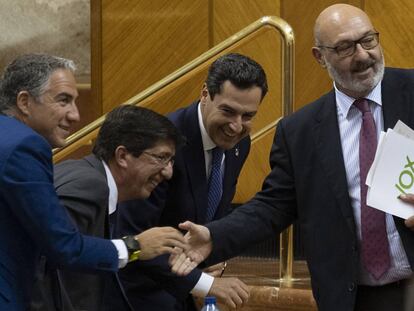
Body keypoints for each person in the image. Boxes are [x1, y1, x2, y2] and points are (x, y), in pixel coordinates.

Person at [170, 4, 414, 311]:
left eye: (368, 40)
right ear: (320, 57)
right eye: (345, 47)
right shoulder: (299, 132)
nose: (363, 55)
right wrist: (215, 236)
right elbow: (272, 207)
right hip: (355, 297)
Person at [0, 53, 187, 311]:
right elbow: (64, 248)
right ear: (24, 101)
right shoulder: (26, 146)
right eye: (63, 100)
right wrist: (135, 246)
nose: (76, 115)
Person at [115, 53, 268, 310]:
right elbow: (133, 236)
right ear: (205, 94)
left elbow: (214, 212)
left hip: (188, 291)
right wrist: (204, 284)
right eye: (228, 111)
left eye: (248, 116)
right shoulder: (161, 142)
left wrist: (209, 257)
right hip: (141, 295)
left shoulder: (240, 143)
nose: (236, 126)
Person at [31, 104, 186, 311]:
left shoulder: (81, 172)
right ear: (122, 156)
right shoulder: (90, 185)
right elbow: (46, 254)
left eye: (171, 160)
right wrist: (134, 246)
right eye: (161, 158)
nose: (168, 172)